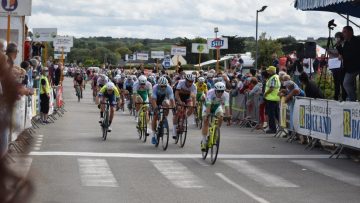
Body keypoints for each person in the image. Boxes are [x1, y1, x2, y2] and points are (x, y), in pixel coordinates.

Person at [201, 82, 230, 151]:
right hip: (207, 106)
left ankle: (216, 132)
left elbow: (227, 106)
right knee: (206, 121)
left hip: (217, 107)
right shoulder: (210, 92)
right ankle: (204, 141)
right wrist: (207, 115)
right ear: (215, 90)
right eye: (218, 91)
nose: (220, 93)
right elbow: (208, 105)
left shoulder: (226, 95)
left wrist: (228, 117)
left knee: (221, 117)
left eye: (222, 91)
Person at [150, 77, 175, 144]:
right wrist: (156, 109)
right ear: (159, 85)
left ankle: (164, 118)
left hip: (164, 99)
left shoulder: (169, 88)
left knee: (167, 104)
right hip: (156, 100)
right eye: (162, 86)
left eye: (165, 86)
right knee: (155, 117)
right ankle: (153, 135)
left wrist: (173, 108)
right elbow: (153, 100)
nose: (163, 87)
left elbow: (172, 99)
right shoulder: (155, 87)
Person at [339, 26, 360, 101]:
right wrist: (339, 45)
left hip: (356, 67)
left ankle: (353, 99)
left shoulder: (356, 41)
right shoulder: (346, 42)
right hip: (350, 68)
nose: (342, 34)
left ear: (350, 32)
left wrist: (343, 56)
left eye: (344, 32)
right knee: (346, 83)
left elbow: (353, 54)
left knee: (347, 83)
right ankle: (353, 100)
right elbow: (343, 53)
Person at [173, 74, 197, 139]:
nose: (190, 83)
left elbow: (194, 97)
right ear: (186, 80)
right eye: (189, 81)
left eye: (192, 81)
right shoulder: (181, 82)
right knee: (178, 110)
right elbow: (176, 94)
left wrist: (194, 106)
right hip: (179, 96)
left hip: (187, 97)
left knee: (191, 107)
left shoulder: (194, 86)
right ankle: (174, 129)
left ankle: (185, 117)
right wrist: (180, 102)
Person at [264, 66, 281, 134]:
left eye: (268, 71)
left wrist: (265, 93)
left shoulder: (273, 78)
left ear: (271, 71)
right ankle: (283, 128)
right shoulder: (276, 77)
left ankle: (273, 129)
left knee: (271, 115)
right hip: (275, 98)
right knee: (277, 114)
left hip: (271, 98)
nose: (267, 72)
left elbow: (271, 88)